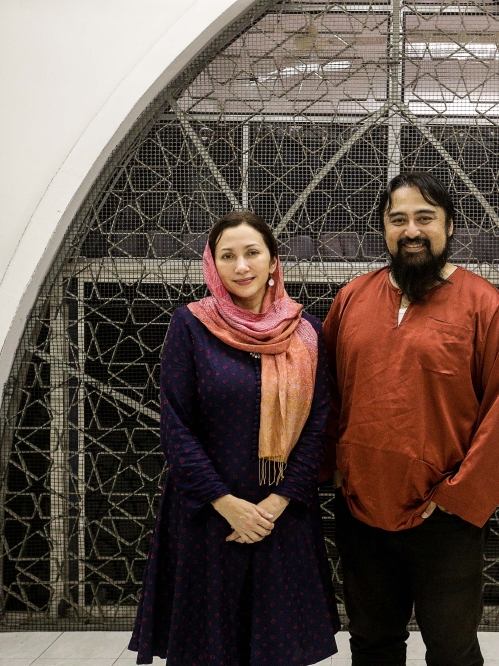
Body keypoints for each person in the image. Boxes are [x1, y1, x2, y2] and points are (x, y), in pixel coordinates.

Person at [322, 172, 499, 666]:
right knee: (373, 644)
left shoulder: (486, 307)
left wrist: (459, 496)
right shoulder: (351, 299)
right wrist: (334, 471)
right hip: (360, 507)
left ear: (450, 226)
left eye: (425, 218)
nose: (412, 230)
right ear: (383, 229)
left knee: (452, 650)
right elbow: (326, 394)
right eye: (399, 219)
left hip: (446, 515)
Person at [129, 211, 339, 665]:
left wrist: (277, 503)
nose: (241, 266)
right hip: (208, 516)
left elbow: (318, 426)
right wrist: (226, 504)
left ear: (273, 261)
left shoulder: (308, 334)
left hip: (281, 517)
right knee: (208, 650)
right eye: (228, 256)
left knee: (278, 651)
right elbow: (175, 425)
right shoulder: (190, 325)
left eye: (252, 253)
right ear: (213, 265)